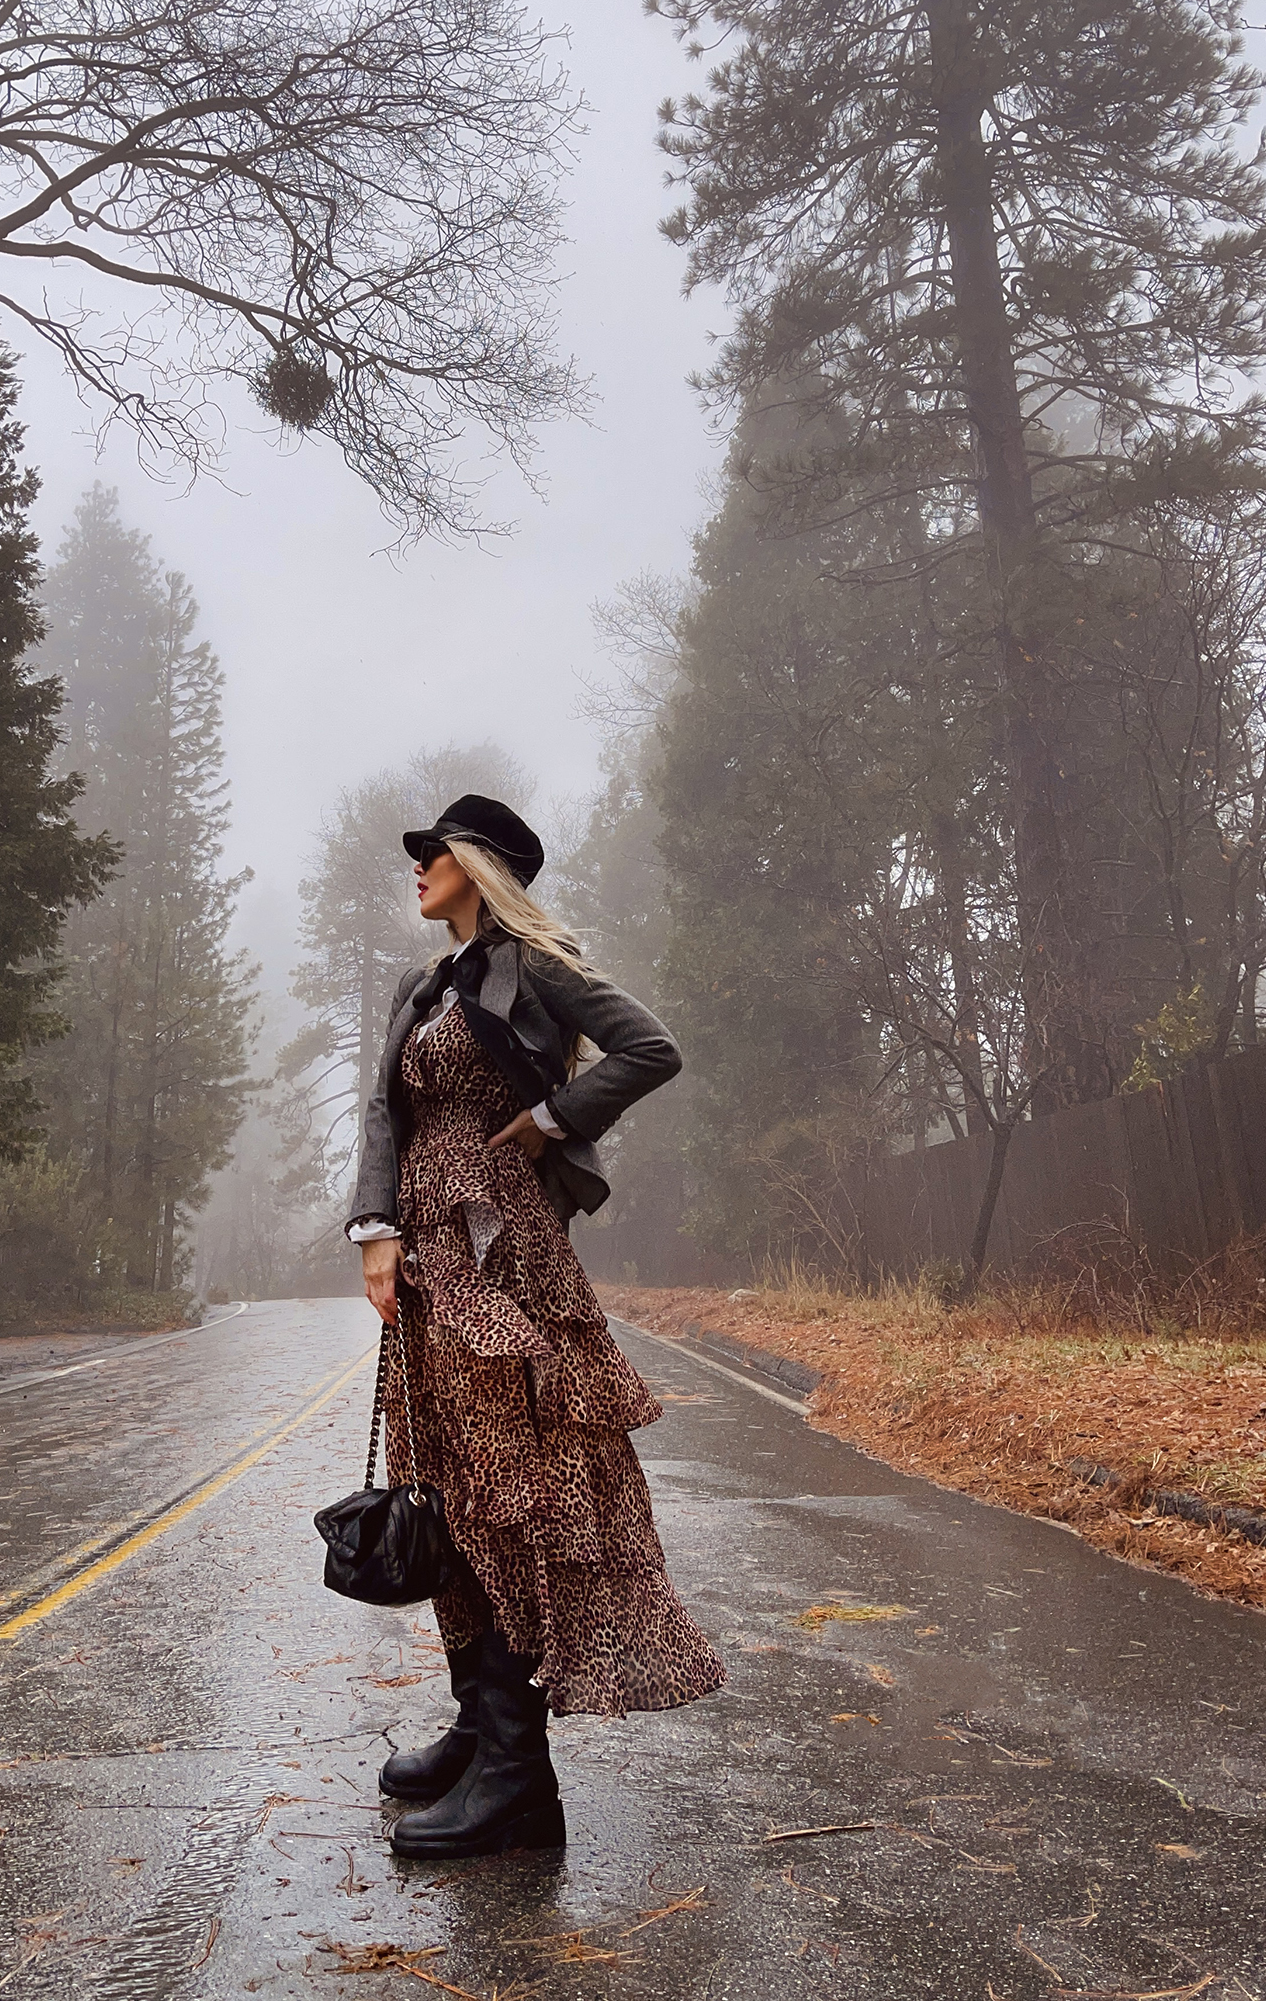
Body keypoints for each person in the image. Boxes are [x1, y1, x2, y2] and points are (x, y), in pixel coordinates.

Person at [347, 793, 726, 1860]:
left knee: (508, 1485)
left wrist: (555, 1117)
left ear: (478, 865)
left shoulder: (534, 964)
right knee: (448, 1481)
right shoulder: (417, 987)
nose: (418, 868)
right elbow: (383, 1115)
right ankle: (481, 1730)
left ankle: (521, 1774)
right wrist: (375, 1230)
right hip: (423, 1250)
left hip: (502, 1248)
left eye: (434, 854)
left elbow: (649, 1047)